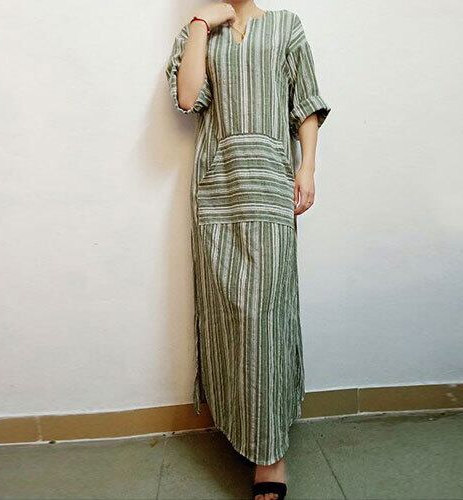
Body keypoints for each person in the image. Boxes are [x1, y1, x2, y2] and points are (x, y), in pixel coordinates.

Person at [165, 1, 330, 498]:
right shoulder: (198, 31)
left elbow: (306, 103)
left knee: (265, 315)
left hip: (271, 185)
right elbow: (188, 98)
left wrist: (307, 168)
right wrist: (200, 24)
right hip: (217, 190)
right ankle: (243, 427)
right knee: (228, 316)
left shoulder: (285, 26)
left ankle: (270, 456)